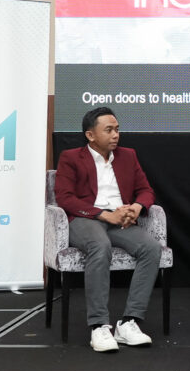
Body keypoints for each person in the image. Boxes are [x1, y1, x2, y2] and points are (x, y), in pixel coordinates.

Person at [55, 107, 161, 353]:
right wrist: (103, 214)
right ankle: (99, 326)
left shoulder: (128, 156)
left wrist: (136, 208)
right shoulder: (71, 157)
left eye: (117, 129)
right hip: (86, 219)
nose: (116, 135)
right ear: (90, 135)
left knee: (151, 248)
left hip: (120, 220)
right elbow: (65, 198)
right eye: (109, 130)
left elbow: (146, 190)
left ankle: (129, 322)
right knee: (99, 245)